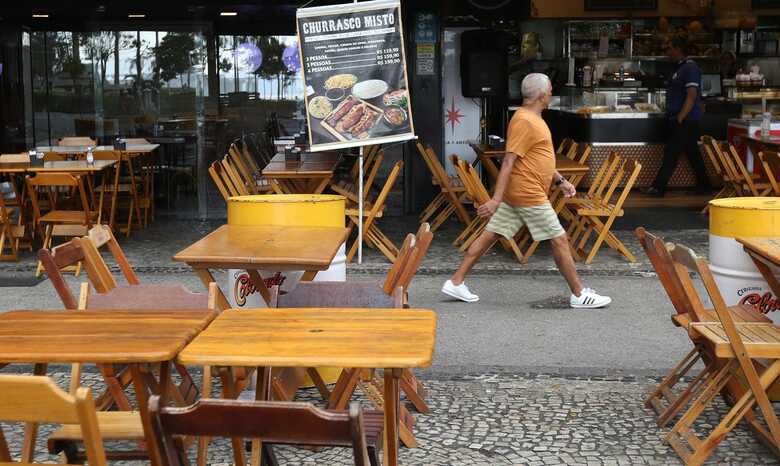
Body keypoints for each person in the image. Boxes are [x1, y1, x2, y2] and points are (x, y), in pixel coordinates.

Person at [441, 73, 611, 309]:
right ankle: (579, 294)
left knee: (491, 234)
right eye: (550, 89)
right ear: (542, 95)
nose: (552, 92)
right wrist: (495, 200)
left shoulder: (531, 118)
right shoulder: (525, 121)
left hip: (521, 193)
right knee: (560, 239)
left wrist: (560, 180)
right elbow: (509, 161)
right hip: (528, 194)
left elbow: (537, 157)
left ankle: (456, 281)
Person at [644, 36, 711, 197]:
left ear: (678, 49)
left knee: (671, 152)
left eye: (669, 48)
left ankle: (658, 187)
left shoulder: (690, 68)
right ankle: (705, 185)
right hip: (680, 118)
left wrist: (681, 117)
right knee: (692, 153)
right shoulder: (679, 68)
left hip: (686, 120)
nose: (667, 52)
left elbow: (692, 94)